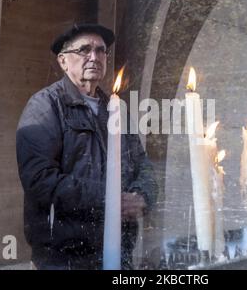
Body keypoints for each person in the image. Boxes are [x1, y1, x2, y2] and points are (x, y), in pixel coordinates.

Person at [16, 23, 157, 270]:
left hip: (118, 253)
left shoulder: (115, 109)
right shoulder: (45, 106)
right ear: (63, 61)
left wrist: (142, 198)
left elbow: (143, 165)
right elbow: (39, 179)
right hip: (64, 258)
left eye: (101, 50)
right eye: (84, 50)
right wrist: (109, 198)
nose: (94, 57)